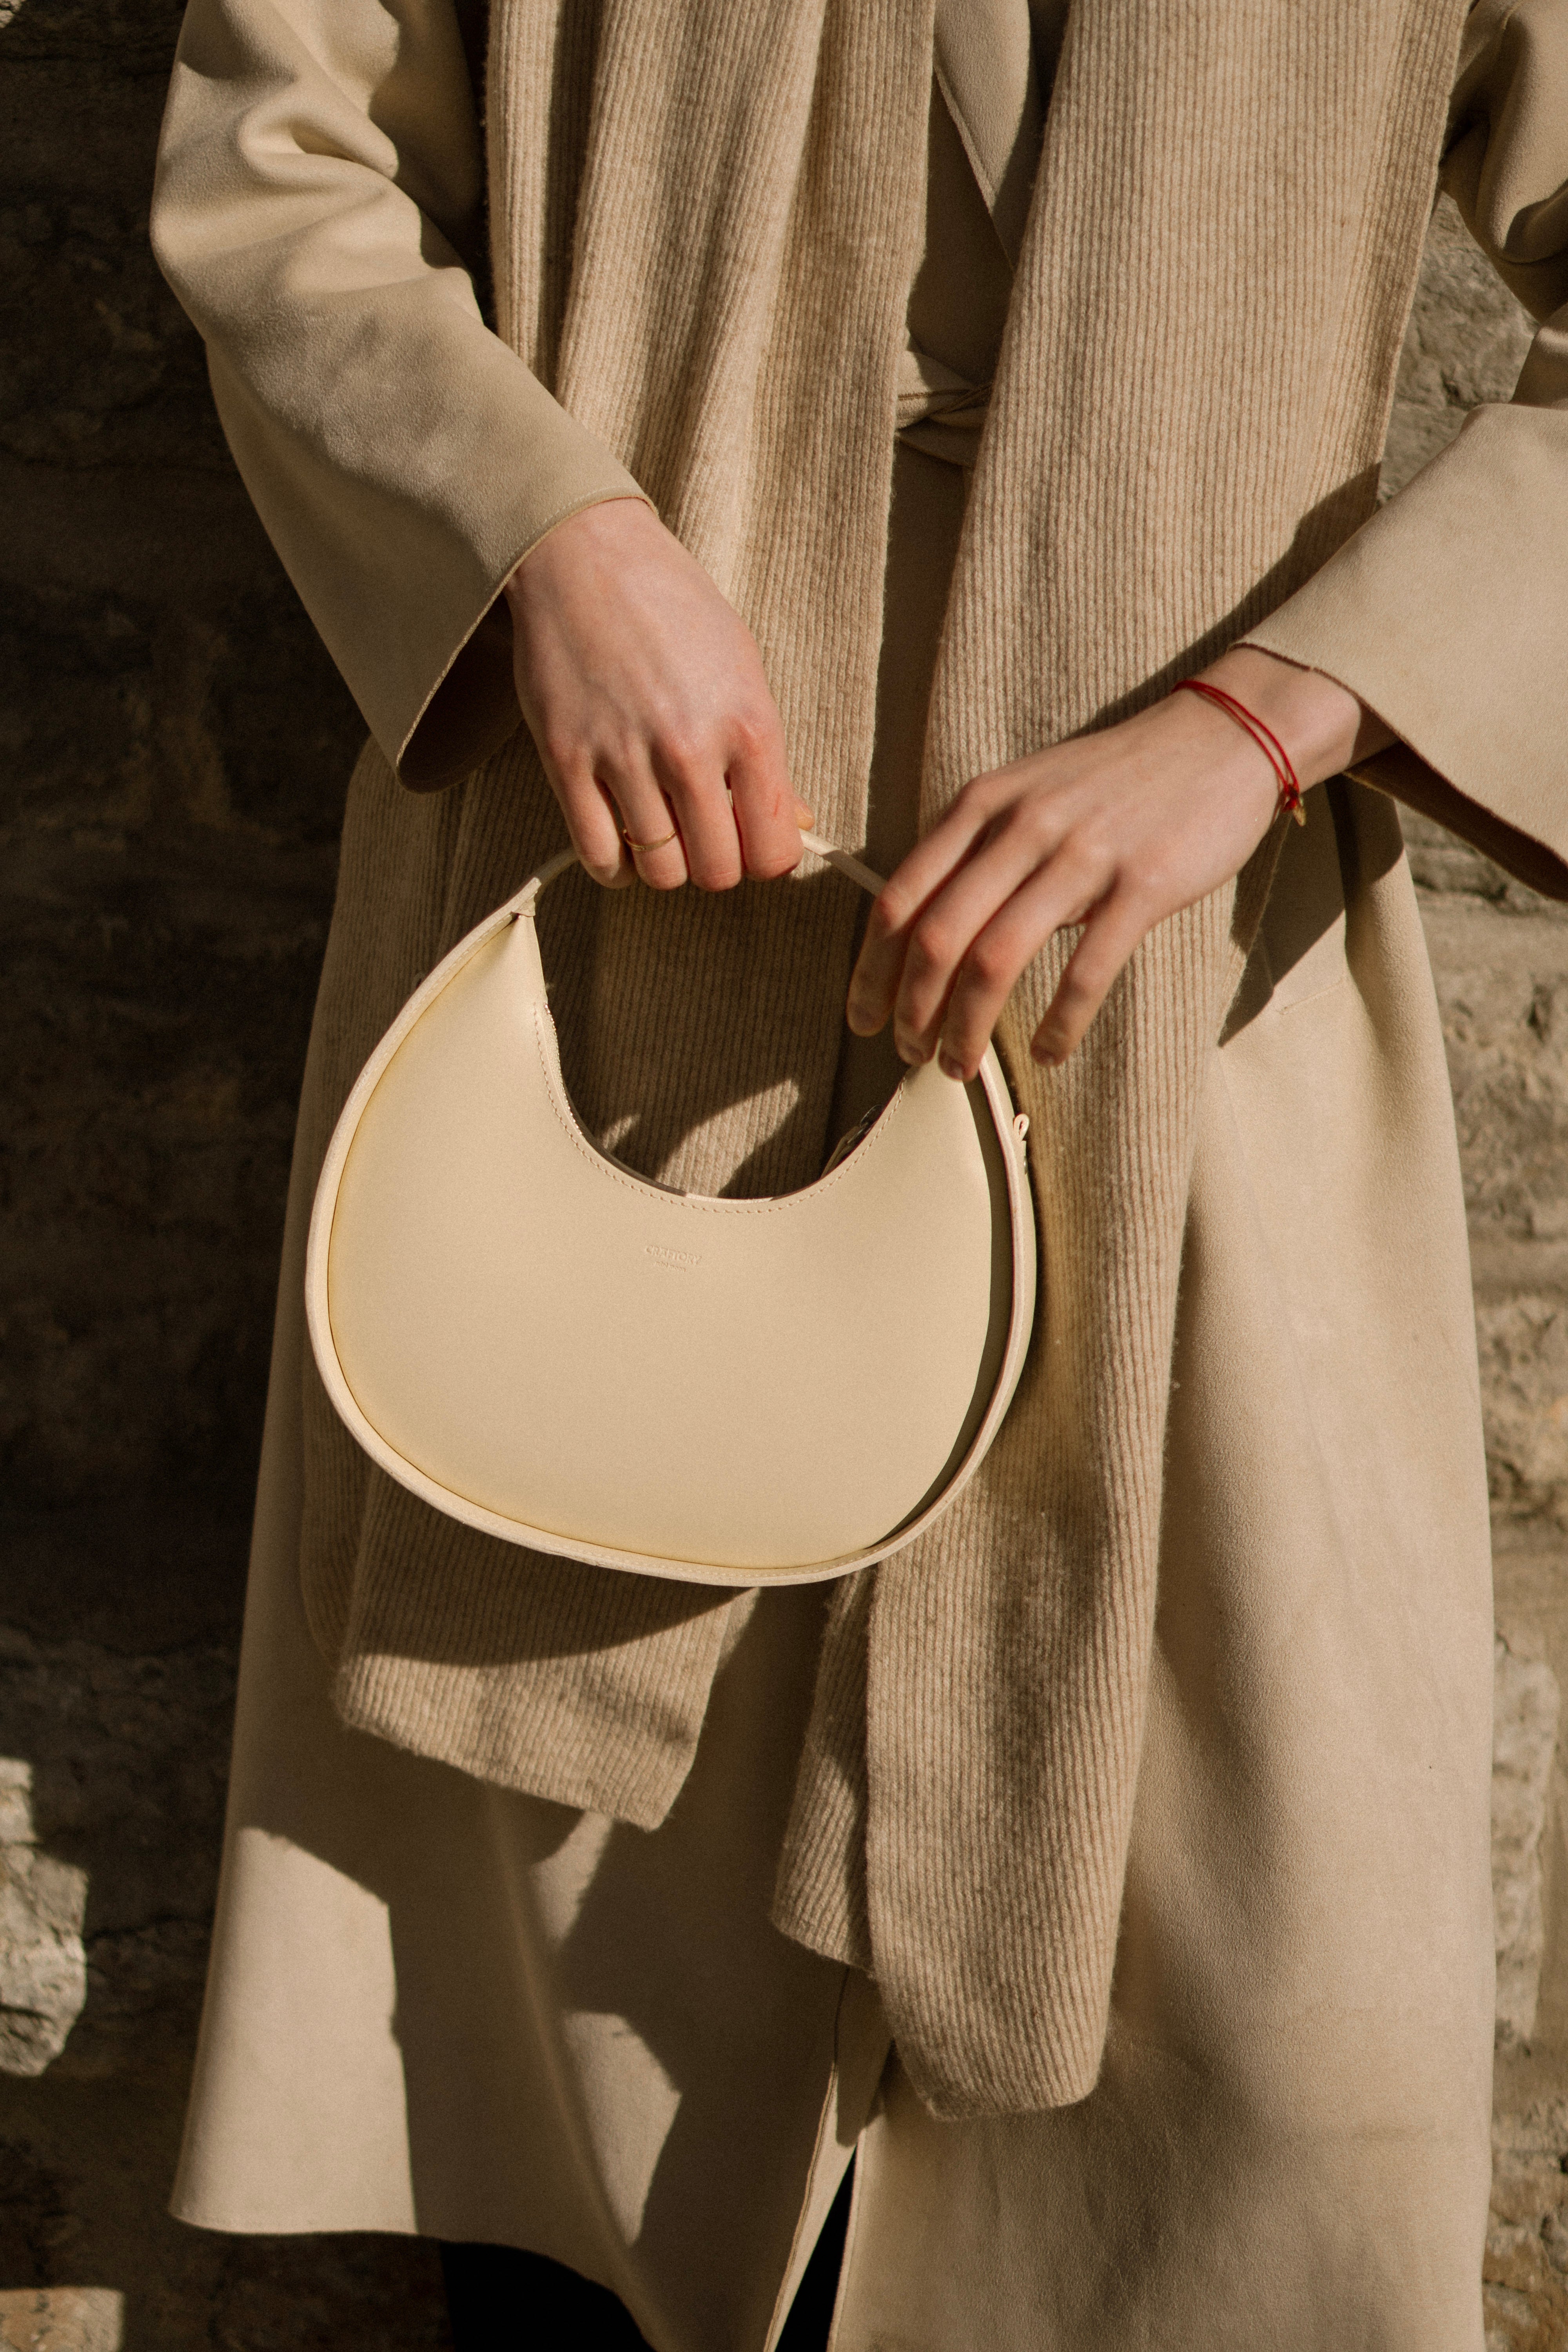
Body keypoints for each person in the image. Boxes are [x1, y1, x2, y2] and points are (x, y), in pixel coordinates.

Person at [149, 1, 1568, 2345]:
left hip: (1180, 974)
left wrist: (1275, 719)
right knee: (610, 2053)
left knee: (1245, 2057)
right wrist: (542, 541)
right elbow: (276, 154)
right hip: (631, 911)